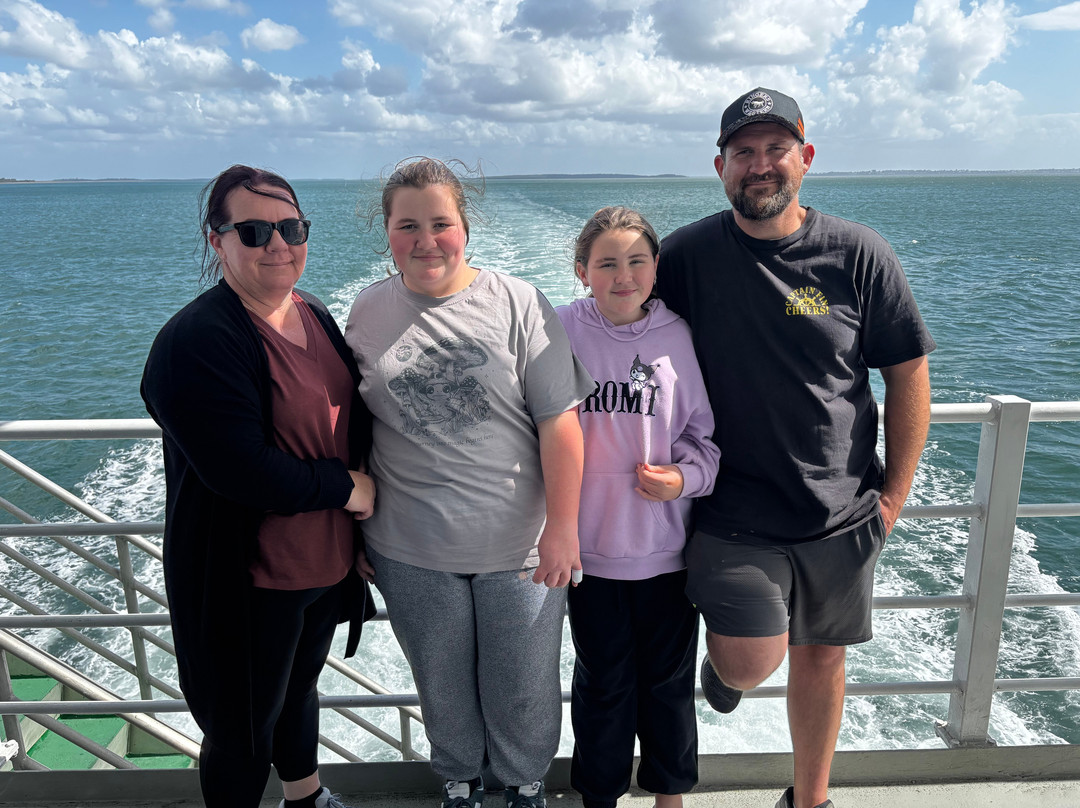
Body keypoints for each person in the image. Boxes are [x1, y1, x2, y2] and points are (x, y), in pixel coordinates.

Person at [657, 88, 936, 808]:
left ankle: (809, 801)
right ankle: (724, 671)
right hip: (732, 507)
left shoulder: (859, 253)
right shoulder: (685, 256)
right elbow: (623, 328)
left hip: (841, 510)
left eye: (776, 149)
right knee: (749, 663)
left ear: (805, 158)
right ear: (720, 167)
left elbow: (907, 373)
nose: (760, 165)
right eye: (743, 152)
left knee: (822, 658)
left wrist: (893, 498)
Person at [343, 157, 595, 808]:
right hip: (408, 545)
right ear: (387, 232)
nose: (426, 240)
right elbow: (356, 424)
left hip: (519, 546)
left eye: (440, 223)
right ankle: (459, 781)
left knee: (523, 685)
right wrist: (350, 531)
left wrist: (564, 528)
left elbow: (560, 423)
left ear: (465, 227)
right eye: (408, 226)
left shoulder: (518, 302)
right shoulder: (367, 311)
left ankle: (524, 784)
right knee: (442, 684)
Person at [141, 165, 377, 808]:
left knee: (299, 691)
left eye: (291, 228)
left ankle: (306, 796)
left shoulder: (313, 312)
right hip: (251, 580)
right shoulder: (196, 341)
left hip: (324, 566)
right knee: (240, 730)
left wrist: (361, 535)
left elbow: (344, 423)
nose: (277, 244)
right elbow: (237, 468)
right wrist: (345, 488)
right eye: (253, 231)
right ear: (216, 241)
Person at [556, 207, 720, 808]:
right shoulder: (558, 329)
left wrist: (683, 479)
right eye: (606, 263)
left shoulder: (678, 336)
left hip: (666, 555)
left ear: (655, 268)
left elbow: (704, 440)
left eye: (636, 261)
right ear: (582, 271)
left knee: (669, 687)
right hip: (587, 554)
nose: (623, 276)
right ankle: (598, 796)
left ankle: (669, 797)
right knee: (601, 686)